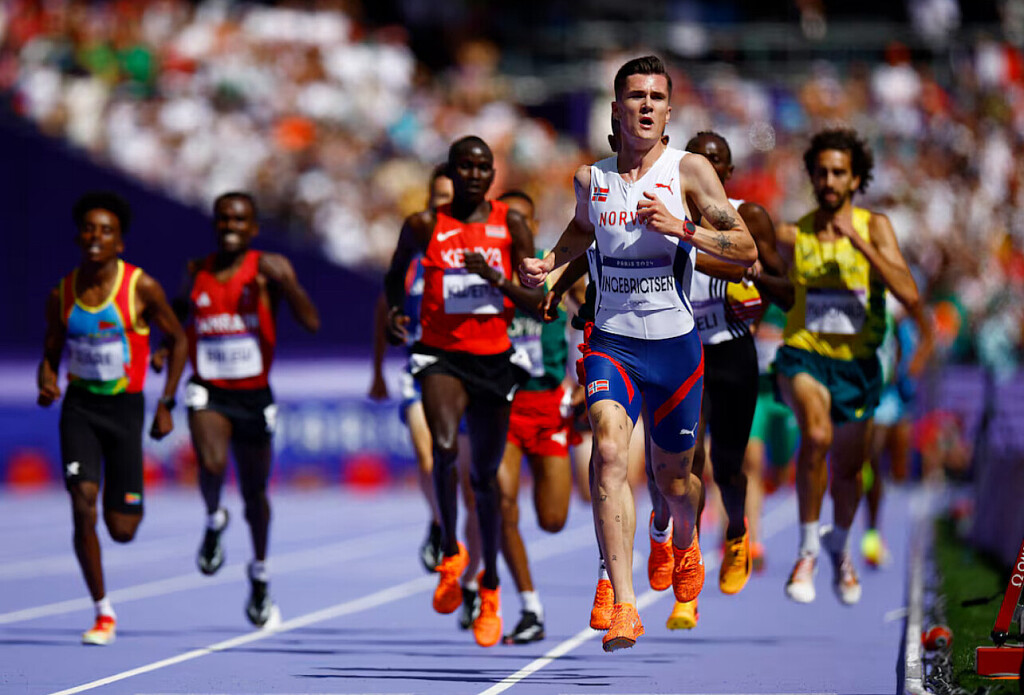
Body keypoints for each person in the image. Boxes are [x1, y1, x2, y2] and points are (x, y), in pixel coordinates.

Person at [520, 55, 756, 651]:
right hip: (612, 343)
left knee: (676, 482)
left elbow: (745, 247)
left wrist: (682, 228)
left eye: (656, 97)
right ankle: (625, 604)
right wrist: (548, 267)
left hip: (676, 349)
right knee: (608, 453)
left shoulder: (690, 170)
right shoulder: (590, 179)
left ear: (668, 111)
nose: (646, 105)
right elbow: (582, 231)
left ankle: (684, 538)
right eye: (635, 96)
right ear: (617, 109)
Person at [384, 136, 542, 647]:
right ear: (451, 173)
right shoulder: (423, 225)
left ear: (492, 174)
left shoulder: (510, 224)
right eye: (464, 166)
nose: (473, 174)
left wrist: (494, 277)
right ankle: (451, 553)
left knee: (485, 480)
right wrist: (394, 312)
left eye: (482, 167)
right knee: (445, 447)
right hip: (439, 355)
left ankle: (490, 585)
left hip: (493, 360)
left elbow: (534, 299)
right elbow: (394, 275)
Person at [651, 130, 791, 630]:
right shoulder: (662, 214)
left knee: (729, 467)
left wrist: (751, 280)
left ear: (726, 174)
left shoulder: (748, 217)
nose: (707, 168)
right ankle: (686, 574)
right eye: (699, 160)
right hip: (681, 350)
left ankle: (736, 534)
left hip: (732, 353)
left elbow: (787, 292)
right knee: (687, 463)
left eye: (717, 163)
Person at [775, 129, 922, 605]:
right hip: (805, 354)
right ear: (812, 178)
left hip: (858, 367)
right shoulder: (795, 234)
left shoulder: (875, 227)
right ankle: (807, 551)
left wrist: (860, 244)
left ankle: (839, 545)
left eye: (839, 173)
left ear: (855, 179)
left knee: (849, 470)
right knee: (816, 436)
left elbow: (910, 294)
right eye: (821, 173)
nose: (829, 181)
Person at [37, 191, 188, 645]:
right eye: (89, 229)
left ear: (119, 242)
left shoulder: (141, 287)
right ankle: (102, 611)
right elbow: (51, 350)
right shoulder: (62, 293)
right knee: (82, 503)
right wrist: (47, 379)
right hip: (80, 407)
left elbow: (179, 339)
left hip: (125, 409)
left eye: (106, 231)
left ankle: (119, 505)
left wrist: (166, 402)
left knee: (122, 529)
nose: (95, 237)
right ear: (78, 237)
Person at [177, 191, 320, 627]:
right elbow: (181, 321)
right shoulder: (197, 270)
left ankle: (259, 573)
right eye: (224, 219)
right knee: (211, 463)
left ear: (254, 228)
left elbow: (311, 323)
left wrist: (288, 284)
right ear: (215, 224)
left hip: (254, 396)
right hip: (208, 389)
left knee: (255, 495)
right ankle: (213, 517)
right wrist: (166, 354)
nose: (231, 226)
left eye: (240, 220)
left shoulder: (269, 269)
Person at [493, 190, 577, 644]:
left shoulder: (555, 267)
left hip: (547, 407)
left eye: (523, 220)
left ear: (536, 224)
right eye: (508, 220)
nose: (516, 228)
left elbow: (596, 311)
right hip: (501, 406)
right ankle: (529, 607)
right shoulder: (487, 270)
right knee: (502, 503)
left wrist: (586, 376)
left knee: (552, 520)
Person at [369, 165, 454, 572]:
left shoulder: (475, 249)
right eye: (438, 199)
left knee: (463, 464)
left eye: (451, 199)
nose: (444, 206)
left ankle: (468, 536)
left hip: (467, 369)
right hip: (419, 369)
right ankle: (440, 524)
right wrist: (377, 371)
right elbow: (385, 305)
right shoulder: (414, 253)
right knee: (427, 455)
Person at [861, 296, 932, 566]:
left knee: (887, 464)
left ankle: (874, 531)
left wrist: (913, 364)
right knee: (868, 458)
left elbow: (926, 332)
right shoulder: (858, 291)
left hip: (890, 393)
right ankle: (868, 530)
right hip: (860, 389)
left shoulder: (897, 301)